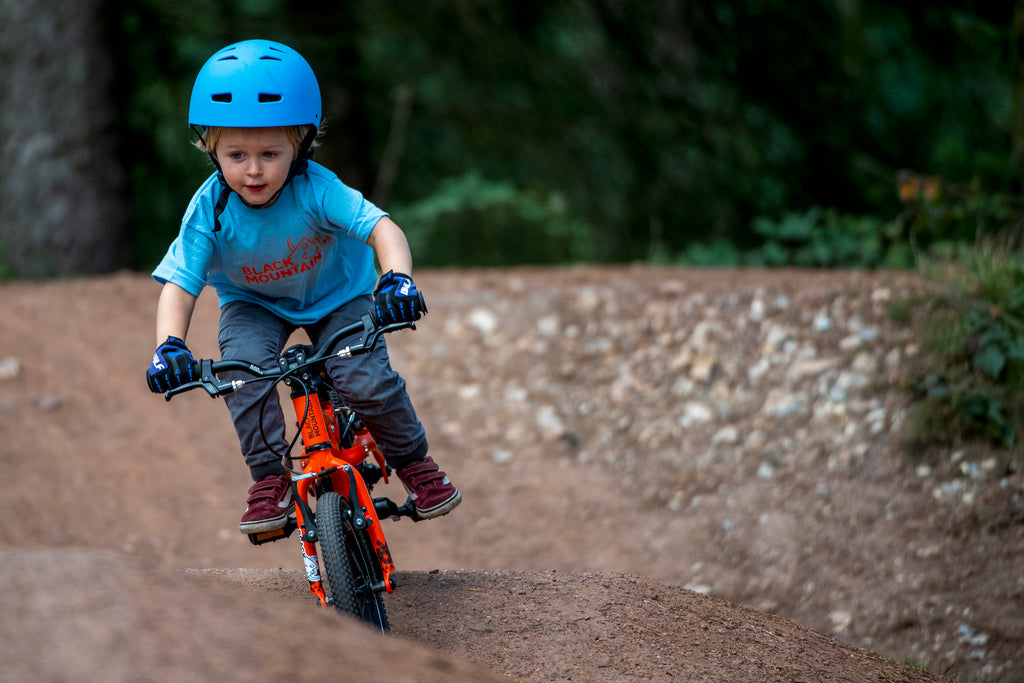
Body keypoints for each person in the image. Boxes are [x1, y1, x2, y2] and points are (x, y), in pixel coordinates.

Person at [145, 39, 460, 534]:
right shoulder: (208, 209)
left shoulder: (316, 187)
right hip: (254, 305)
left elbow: (383, 230)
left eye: (270, 153)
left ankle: (415, 464)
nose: (253, 170)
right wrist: (170, 346)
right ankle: (269, 481)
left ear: (302, 145)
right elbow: (180, 286)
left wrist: (396, 279)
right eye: (236, 154)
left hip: (339, 296)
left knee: (364, 380)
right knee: (242, 379)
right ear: (210, 149)